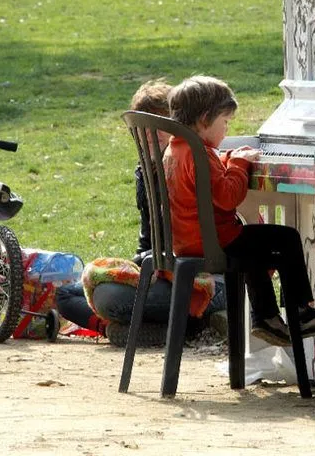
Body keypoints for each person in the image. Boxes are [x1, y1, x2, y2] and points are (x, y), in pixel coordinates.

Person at [164, 76, 315, 346]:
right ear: (205, 120)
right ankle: (300, 313)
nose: (226, 130)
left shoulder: (178, 149)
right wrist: (238, 164)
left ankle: (268, 319)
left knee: (255, 248)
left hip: (189, 242)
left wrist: (228, 158)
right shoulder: (200, 155)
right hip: (216, 242)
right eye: (224, 123)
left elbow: (206, 175)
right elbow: (228, 197)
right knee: (285, 239)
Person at [55, 79, 225, 347]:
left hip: (202, 279)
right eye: (144, 130)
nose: (152, 136)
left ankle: (156, 327)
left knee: (109, 298)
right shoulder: (145, 172)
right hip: (160, 270)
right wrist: (138, 264)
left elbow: (197, 241)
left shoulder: (193, 162)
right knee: (68, 294)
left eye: (160, 126)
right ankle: (117, 328)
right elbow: (148, 241)